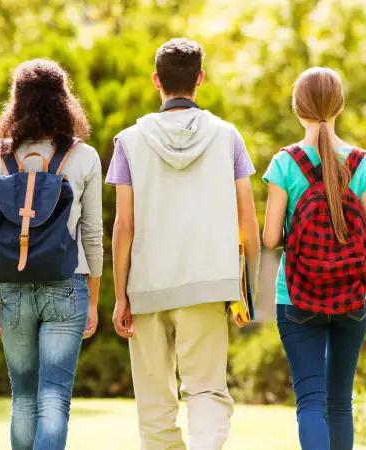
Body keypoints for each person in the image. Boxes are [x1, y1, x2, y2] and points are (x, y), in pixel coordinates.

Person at [107, 38, 260, 449]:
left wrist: (120, 295)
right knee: (207, 392)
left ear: (156, 80)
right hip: (208, 284)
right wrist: (246, 288)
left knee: (154, 406)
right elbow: (248, 218)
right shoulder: (228, 137)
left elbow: (124, 225)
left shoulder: (129, 141)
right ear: (200, 80)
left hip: (148, 286)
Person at [0, 59, 104, 450]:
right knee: (54, 397)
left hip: (12, 289)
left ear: (17, 102)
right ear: (63, 101)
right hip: (68, 286)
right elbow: (93, 235)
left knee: (24, 398)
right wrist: (94, 301)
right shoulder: (83, 157)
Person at [262, 67, 366, 450]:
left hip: (297, 296)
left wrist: (297, 236)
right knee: (339, 403)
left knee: (311, 402)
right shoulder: (361, 163)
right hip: (352, 296)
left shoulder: (285, 163)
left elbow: (269, 239)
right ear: (340, 107)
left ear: (297, 109)